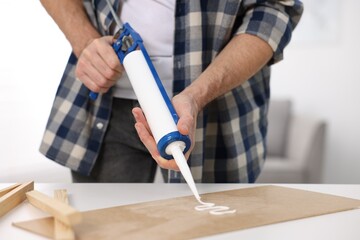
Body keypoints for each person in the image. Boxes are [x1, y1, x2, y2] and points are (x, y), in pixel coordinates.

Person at [39, 0, 303, 183]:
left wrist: (196, 96)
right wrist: (84, 40)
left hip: (216, 113)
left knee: (212, 228)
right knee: (106, 229)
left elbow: (275, 10)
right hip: (105, 109)